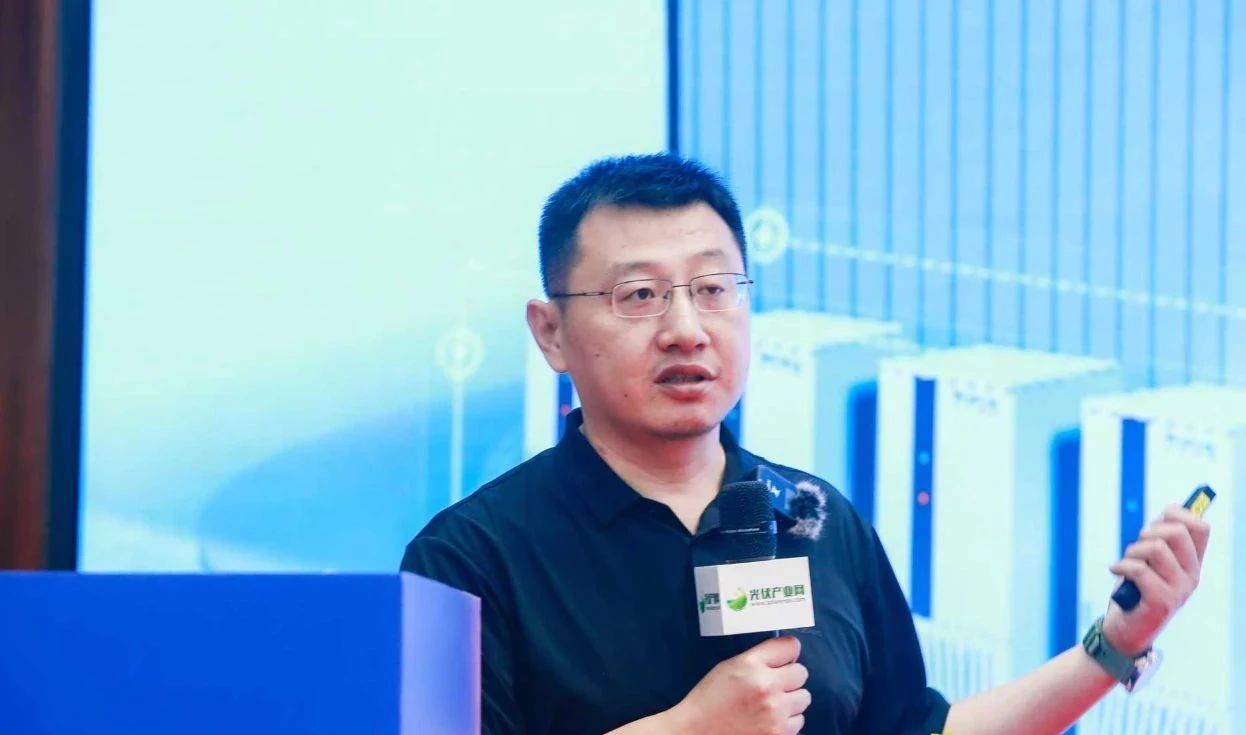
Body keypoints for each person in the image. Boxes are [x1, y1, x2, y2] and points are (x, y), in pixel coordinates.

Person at [401, 153, 1211, 734]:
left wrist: (1116, 645)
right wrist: (689, 728)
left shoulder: (815, 518)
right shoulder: (467, 562)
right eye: (639, 295)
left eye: (713, 288)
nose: (686, 328)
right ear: (550, 331)